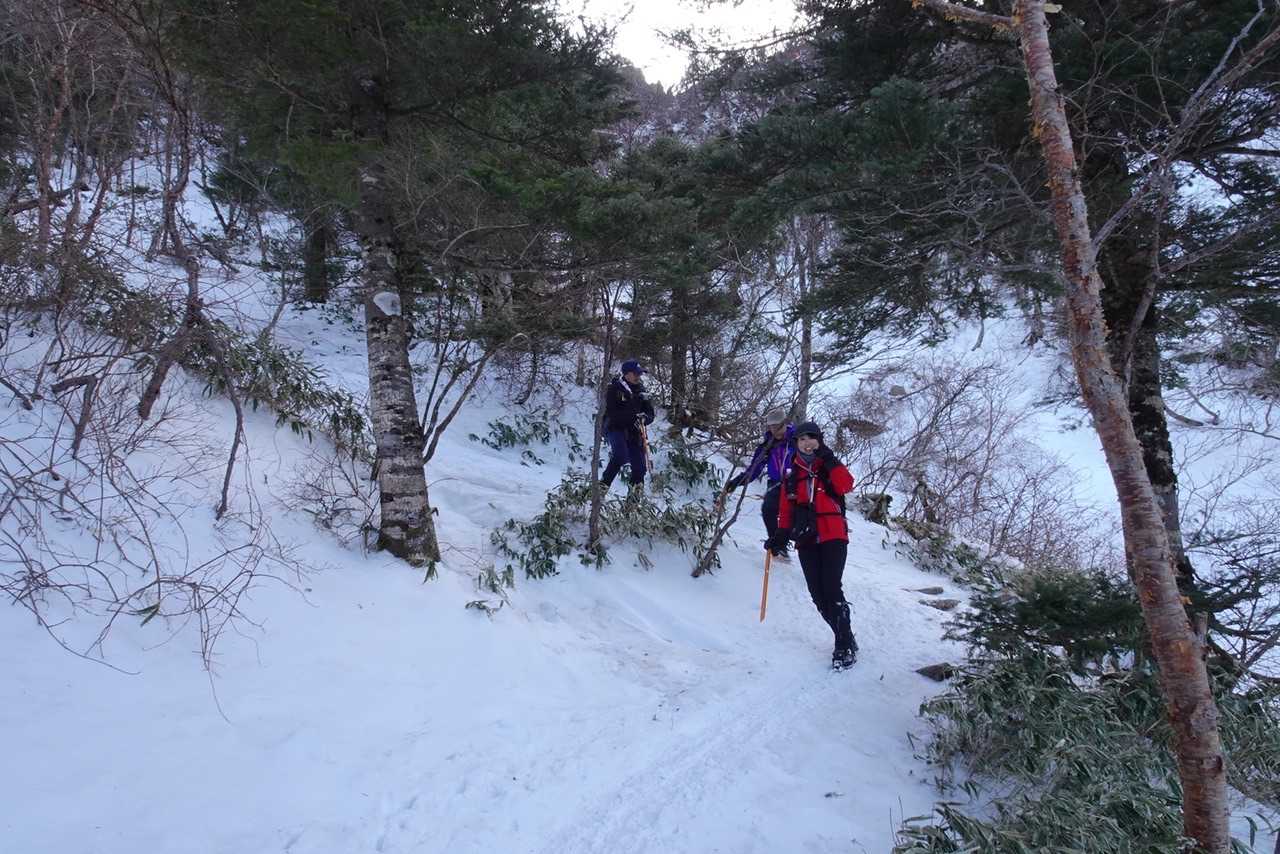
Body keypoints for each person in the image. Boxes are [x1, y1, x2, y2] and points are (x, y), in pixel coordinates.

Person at [764, 421, 858, 670]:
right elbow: (786, 509)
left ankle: (843, 645)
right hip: (806, 538)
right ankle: (846, 635)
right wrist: (780, 535)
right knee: (817, 595)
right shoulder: (791, 473)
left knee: (831, 589)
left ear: (819, 440)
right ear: (796, 443)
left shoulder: (828, 465)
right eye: (802, 439)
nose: (807, 443)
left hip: (833, 534)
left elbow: (846, 485)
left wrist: (829, 459)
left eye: (811, 438)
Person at [725, 409, 794, 559]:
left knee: (796, 515)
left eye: (777, 426)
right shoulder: (767, 445)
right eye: (771, 426)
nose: (774, 430)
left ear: (785, 423)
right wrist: (737, 481)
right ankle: (778, 545)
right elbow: (755, 468)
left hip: (796, 483)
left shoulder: (796, 439)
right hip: (776, 483)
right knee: (768, 508)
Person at [600, 359, 656, 492]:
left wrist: (645, 418)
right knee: (620, 455)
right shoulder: (615, 389)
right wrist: (634, 409)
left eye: (640, 373)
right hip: (616, 428)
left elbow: (650, 413)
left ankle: (633, 501)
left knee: (640, 467)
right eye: (636, 373)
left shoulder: (641, 390)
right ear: (627, 374)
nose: (638, 376)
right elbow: (613, 414)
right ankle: (602, 488)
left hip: (635, 432)